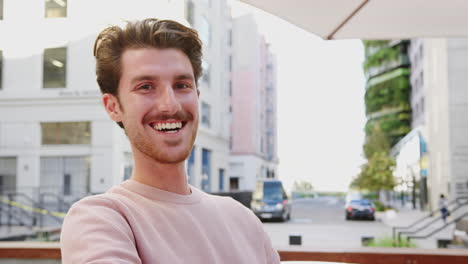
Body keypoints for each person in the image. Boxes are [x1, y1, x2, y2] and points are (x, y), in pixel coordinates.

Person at [60, 18, 280, 264]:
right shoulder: (102, 218)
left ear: (197, 96)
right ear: (113, 107)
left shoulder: (243, 218)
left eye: (181, 85)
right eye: (146, 87)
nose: (170, 105)